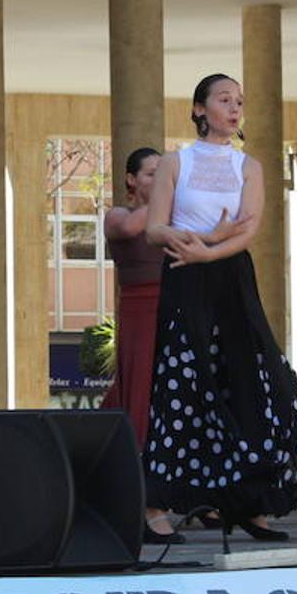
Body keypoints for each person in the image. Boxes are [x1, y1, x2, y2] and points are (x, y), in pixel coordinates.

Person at [140, 73, 297, 543]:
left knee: (250, 380)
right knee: (182, 384)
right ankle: (155, 504)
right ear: (200, 108)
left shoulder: (250, 168)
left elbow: (248, 230)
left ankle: (250, 504)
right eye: (224, 99)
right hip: (184, 276)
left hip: (231, 277)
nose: (234, 107)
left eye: (239, 100)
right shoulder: (175, 163)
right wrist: (199, 244)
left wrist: (211, 249)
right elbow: (155, 229)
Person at [101, 148, 163, 448]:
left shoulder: (172, 218)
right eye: (152, 174)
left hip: (174, 309)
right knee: (140, 382)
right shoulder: (117, 216)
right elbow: (130, 227)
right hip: (140, 311)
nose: (161, 181)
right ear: (131, 179)